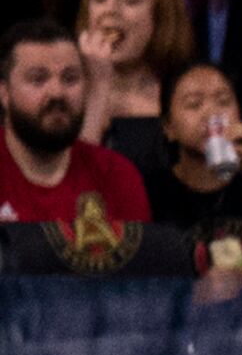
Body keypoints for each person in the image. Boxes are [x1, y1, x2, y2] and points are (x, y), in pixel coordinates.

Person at [132, 61, 242, 275]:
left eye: (223, 102)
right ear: (169, 128)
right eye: (194, 104)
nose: (212, 114)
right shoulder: (149, 190)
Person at [1, 19, 154, 227]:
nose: (57, 92)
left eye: (70, 78)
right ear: (4, 93)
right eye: (38, 79)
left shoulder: (117, 176)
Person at [75, 0, 189, 134]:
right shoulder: (64, 93)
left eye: (130, 0)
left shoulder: (186, 94)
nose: (110, 9)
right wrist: (98, 88)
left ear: (160, 15)